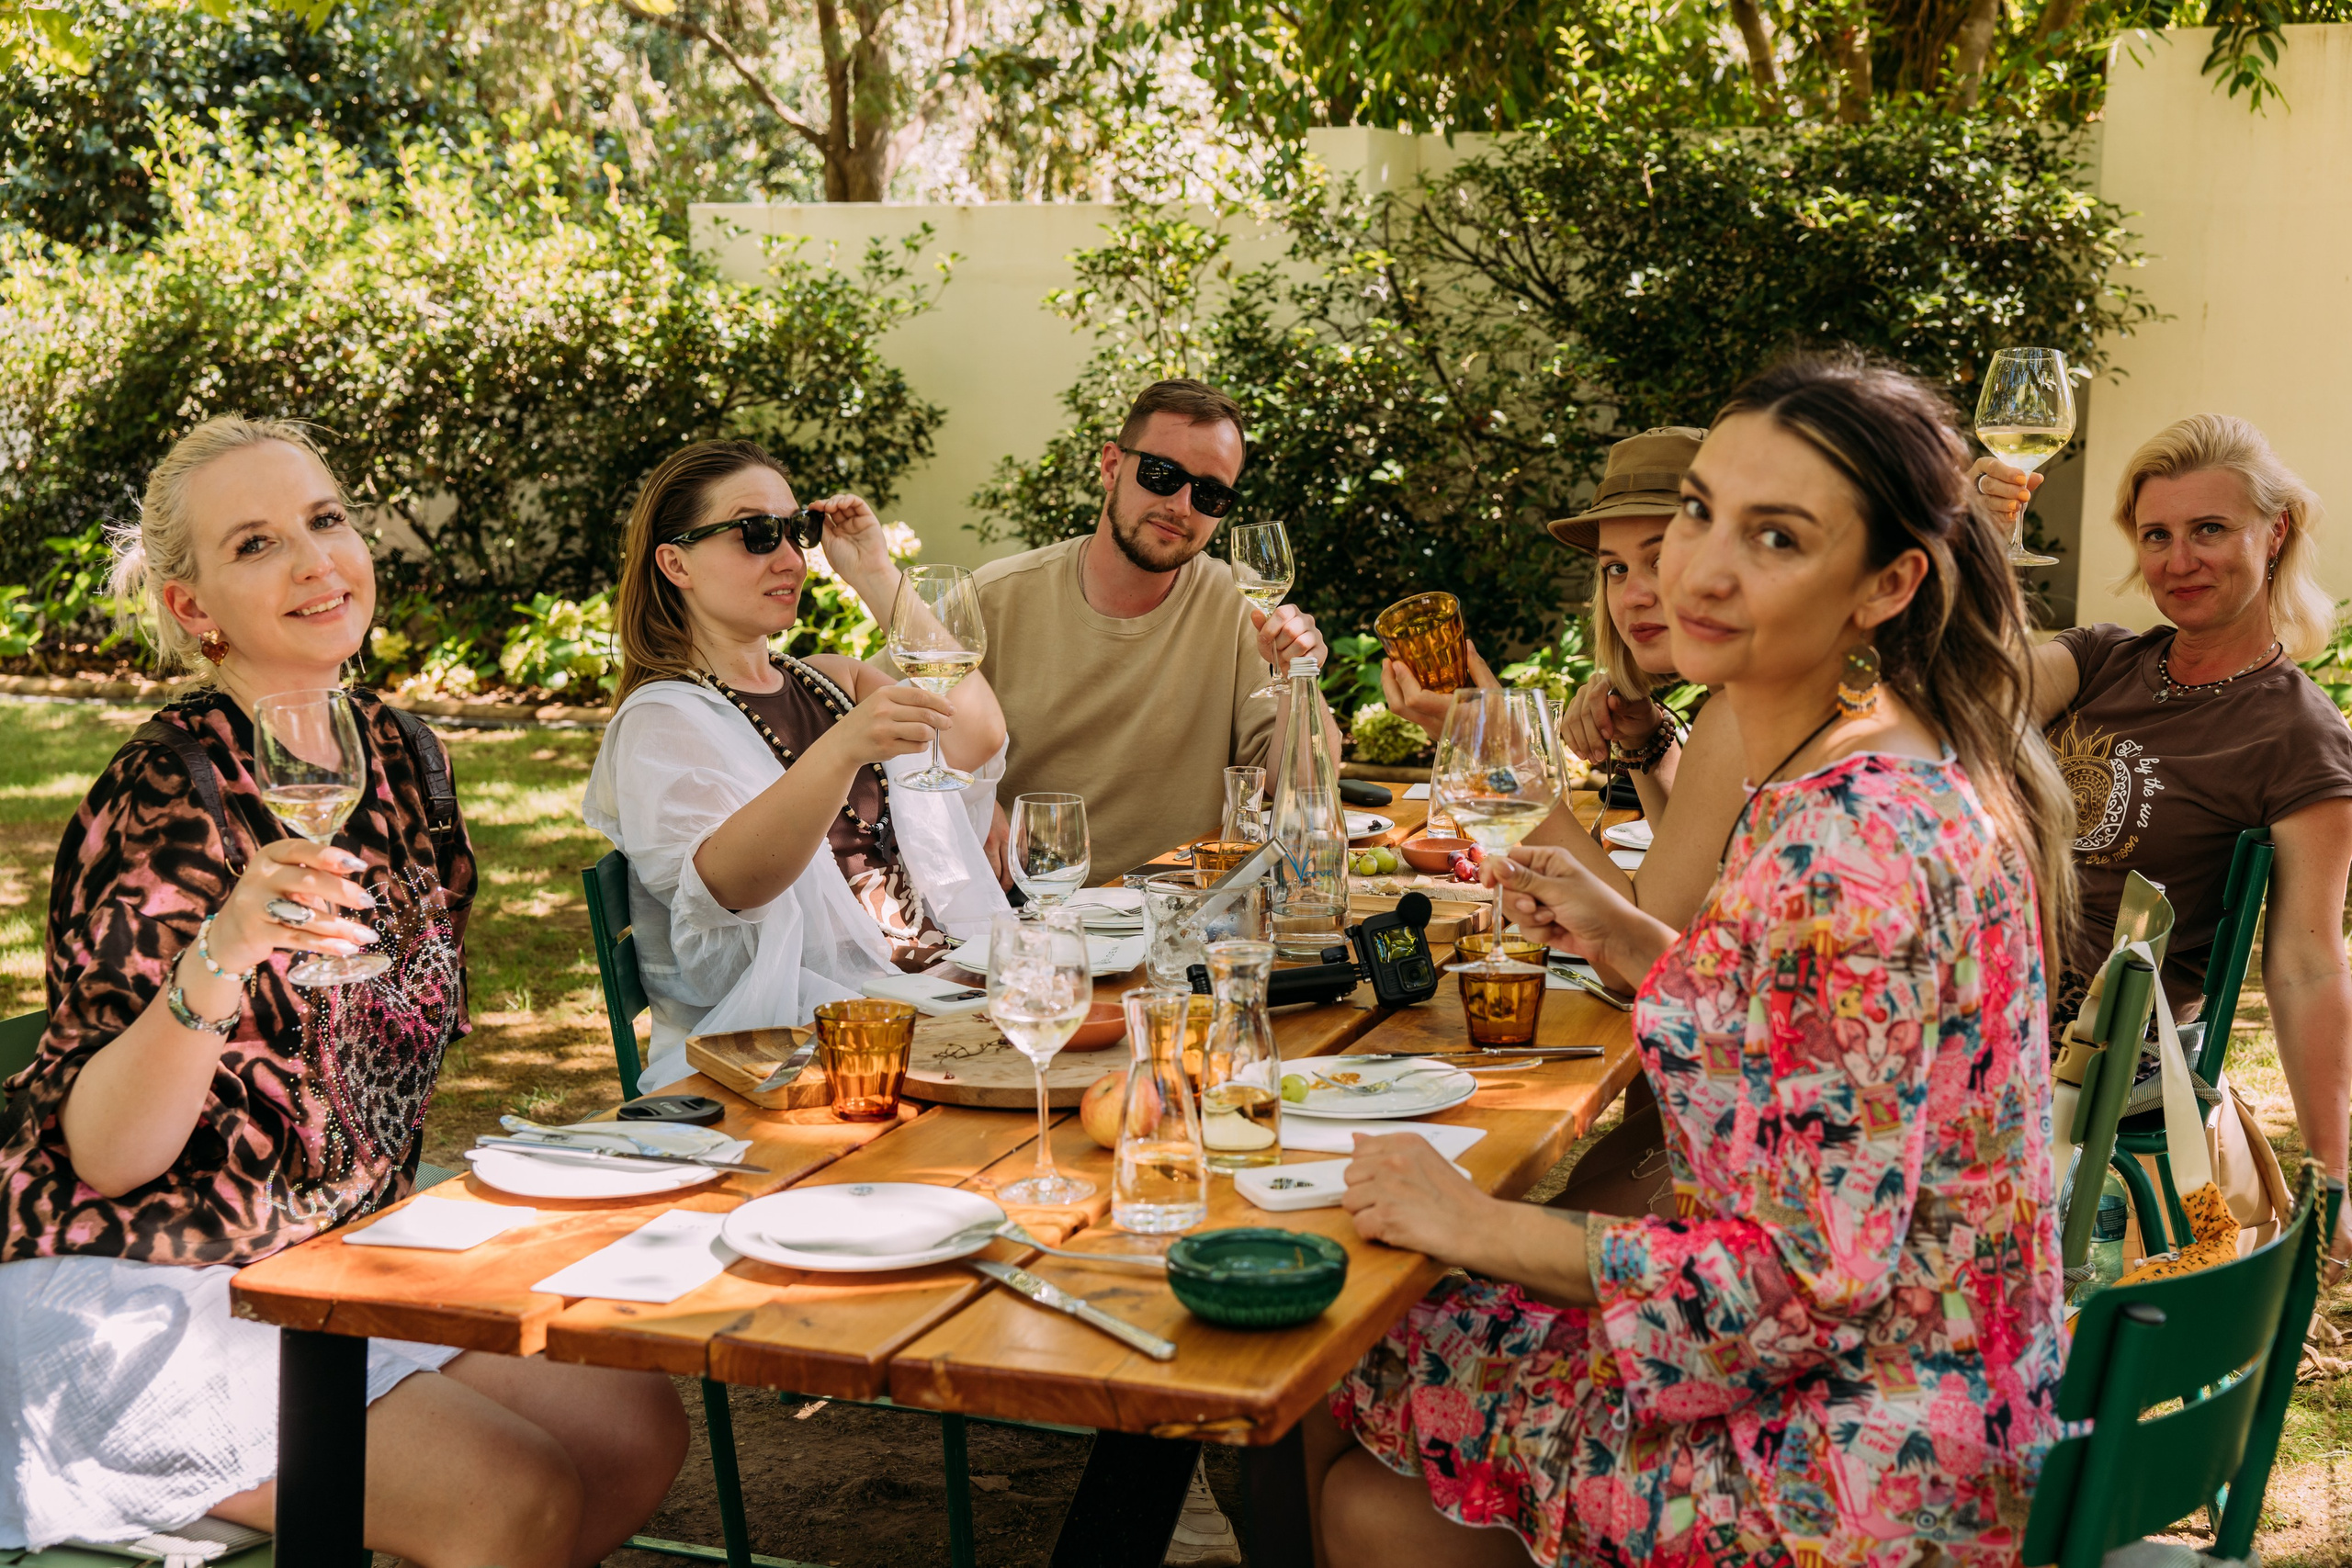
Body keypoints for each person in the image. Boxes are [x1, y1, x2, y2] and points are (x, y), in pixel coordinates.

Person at [1311, 357, 2073, 1568]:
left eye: (1774, 536)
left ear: (1887, 583)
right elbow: (1815, 1047)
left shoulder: (1850, 846)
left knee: (1349, 1334)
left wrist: (1470, 1220)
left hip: (1854, 1467)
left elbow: (1792, 1288)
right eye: (1699, 510)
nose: (1695, 568)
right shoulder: (1884, 756)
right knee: (1385, 1396)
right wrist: (1628, 940)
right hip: (1948, 1398)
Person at [0, 417, 684, 1564]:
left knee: (631, 1428)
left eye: (326, 520)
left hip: (329, 1251)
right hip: (138, 1282)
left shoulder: (405, 758)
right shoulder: (170, 791)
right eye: (258, 543)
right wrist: (222, 951)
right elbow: (109, 1154)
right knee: (503, 1498)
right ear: (193, 607)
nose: (317, 561)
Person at [1977, 412, 2352, 1264]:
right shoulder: (2102, 659)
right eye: (2157, 535)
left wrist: (2331, 1174)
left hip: (2101, 1060)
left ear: (2275, 531)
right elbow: (1962, 711)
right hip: (1977, 997)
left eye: (2209, 530)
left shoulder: (2297, 733)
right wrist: (1981, 555)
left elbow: (2306, 961)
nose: (2179, 561)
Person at [1385, 428, 1751, 1220]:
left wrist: (1496, 749)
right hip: (1714, 1129)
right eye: (1616, 569)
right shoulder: (1752, 708)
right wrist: (1650, 740)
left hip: (1724, 1173)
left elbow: (1638, 946)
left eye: (1660, 556)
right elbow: (1694, 871)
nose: (1633, 593)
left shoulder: (1741, 713)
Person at [583, 439, 1010, 1093]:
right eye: (756, 533)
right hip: (814, 1044)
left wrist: (873, 571)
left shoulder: (831, 681)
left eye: (795, 531)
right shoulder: (662, 721)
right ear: (676, 563)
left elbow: (977, 731)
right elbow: (730, 886)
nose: (790, 558)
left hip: (940, 1004)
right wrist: (841, 750)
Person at [972, 378, 1340, 880]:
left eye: (1211, 494)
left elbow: (1306, 791)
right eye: (1163, 473)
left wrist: (1299, 676)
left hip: (1186, 911)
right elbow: (865, 715)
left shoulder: (1240, 609)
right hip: (1029, 910)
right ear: (1111, 467)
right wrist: (965, 795)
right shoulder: (995, 596)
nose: (1182, 506)